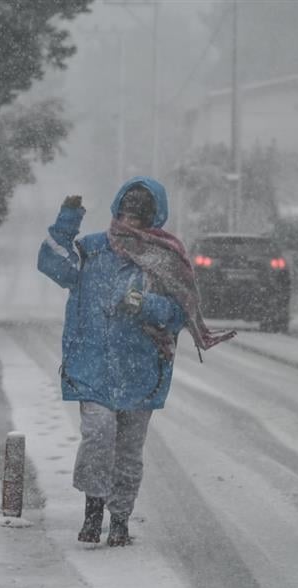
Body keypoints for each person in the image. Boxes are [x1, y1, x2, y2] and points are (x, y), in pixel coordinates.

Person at [37, 176, 236, 547]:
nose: (129, 222)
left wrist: (146, 305)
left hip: (141, 370)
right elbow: (54, 264)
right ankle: (93, 509)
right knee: (98, 435)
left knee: (128, 450)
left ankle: (120, 520)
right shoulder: (93, 249)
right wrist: (67, 220)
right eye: (126, 213)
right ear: (116, 209)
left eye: (138, 217)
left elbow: (180, 313)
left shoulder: (165, 260)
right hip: (91, 364)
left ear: (152, 219)